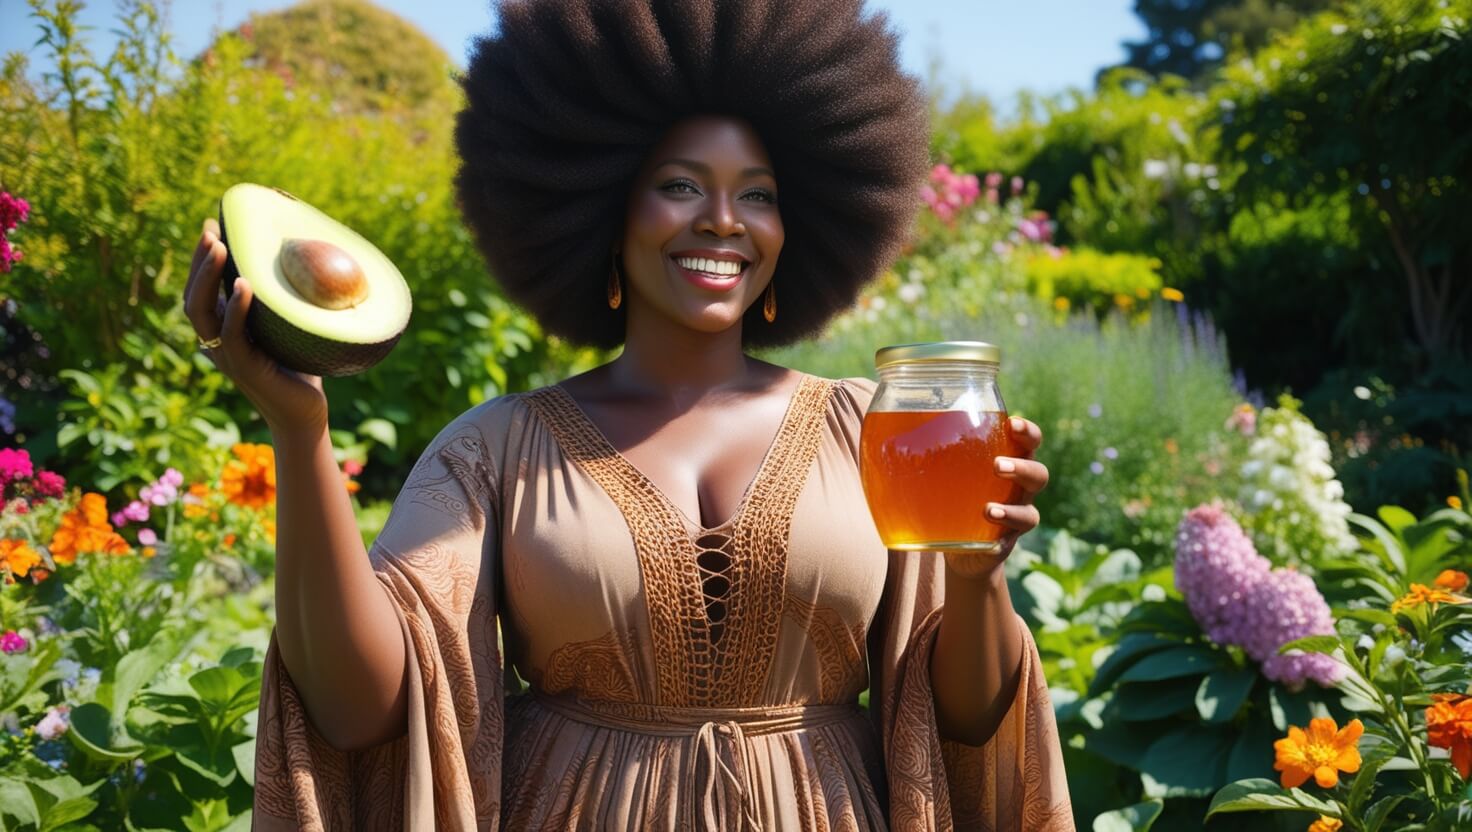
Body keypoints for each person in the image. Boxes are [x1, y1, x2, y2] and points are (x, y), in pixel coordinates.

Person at [182, 0, 1072, 828]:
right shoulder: (498, 451)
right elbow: (358, 705)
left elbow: (962, 722)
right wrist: (302, 434)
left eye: (758, 193)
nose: (724, 220)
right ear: (603, 207)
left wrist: (976, 575)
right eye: (681, 186)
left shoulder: (872, 429)